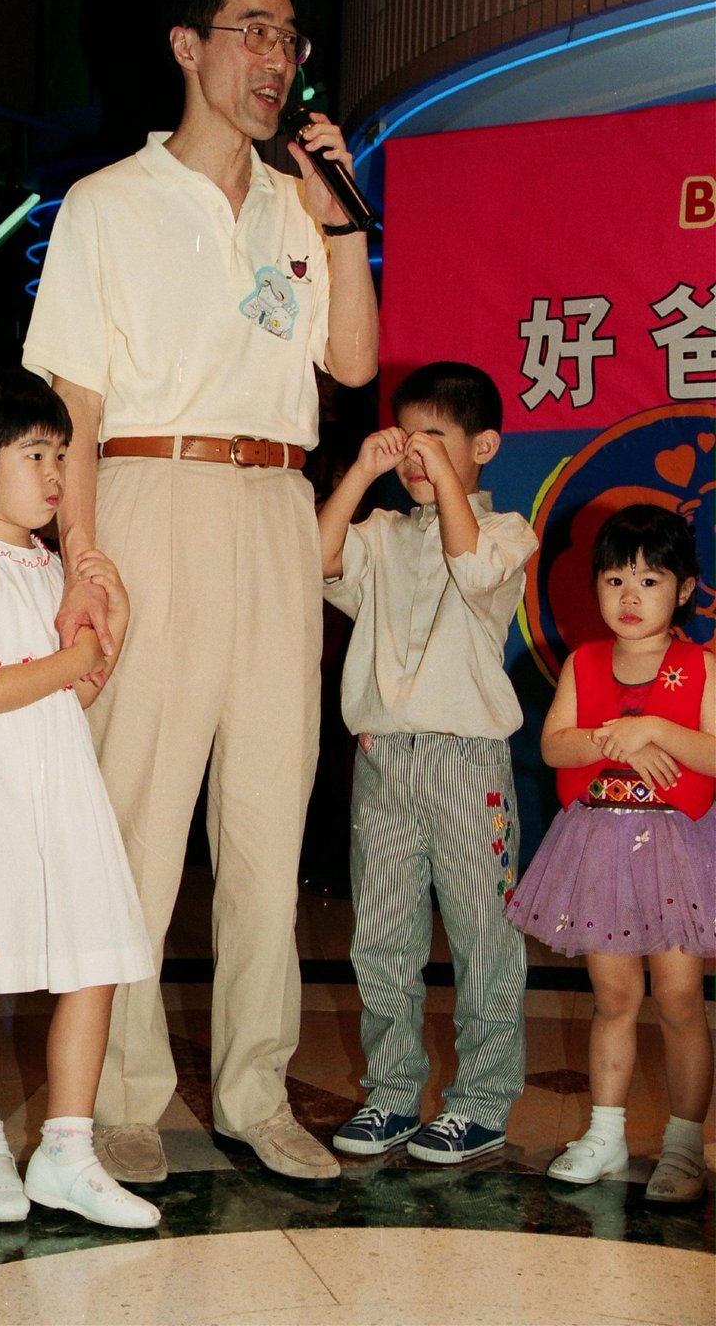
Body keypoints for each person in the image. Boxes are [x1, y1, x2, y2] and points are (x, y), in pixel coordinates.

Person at [22, 0, 378, 1187]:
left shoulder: (300, 202)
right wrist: (83, 546)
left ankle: (255, 1088)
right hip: (152, 491)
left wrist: (336, 221)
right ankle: (118, 1091)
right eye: (254, 33)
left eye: (291, 41)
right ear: (189, 47)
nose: (277, 60)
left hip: (276, 503)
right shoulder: (107, 204)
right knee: (138, 815)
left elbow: (349, 364)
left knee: (272, 818)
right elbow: (72, 393)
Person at [0, 370, 160, 1230]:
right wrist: (80, 656)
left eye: (61, 453)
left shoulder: (58, 565)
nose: (55, 473)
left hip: (59, 780)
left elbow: (77, 695)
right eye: (34, 454)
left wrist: (112, 633)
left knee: (91, 960)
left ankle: (67, 1147)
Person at [317, 362, 537, 1164]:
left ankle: (481, 1100)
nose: (417, 457)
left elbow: (475, 570)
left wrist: (443, 479)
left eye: (437, 441)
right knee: (381, 938)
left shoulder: (507, 532)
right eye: (409, 440)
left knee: (484, 938)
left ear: (484, 446)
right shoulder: (380, 535)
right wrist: (359, 476)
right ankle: (393, 1093)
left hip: (466, 764)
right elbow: (315, 560)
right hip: (385, 762)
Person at [507, 505, 714, 1203]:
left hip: (676, 848)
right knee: (614, 997)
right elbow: (554, 744)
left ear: (684, 589)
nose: (630, 597)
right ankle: (605, 1131)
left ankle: (684, 1145)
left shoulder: (699, 666)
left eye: (650, 580)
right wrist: (613, 737)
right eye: (615, 579)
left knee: (682, 998)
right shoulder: (584, 662)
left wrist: (654, 727)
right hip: (599, 845)